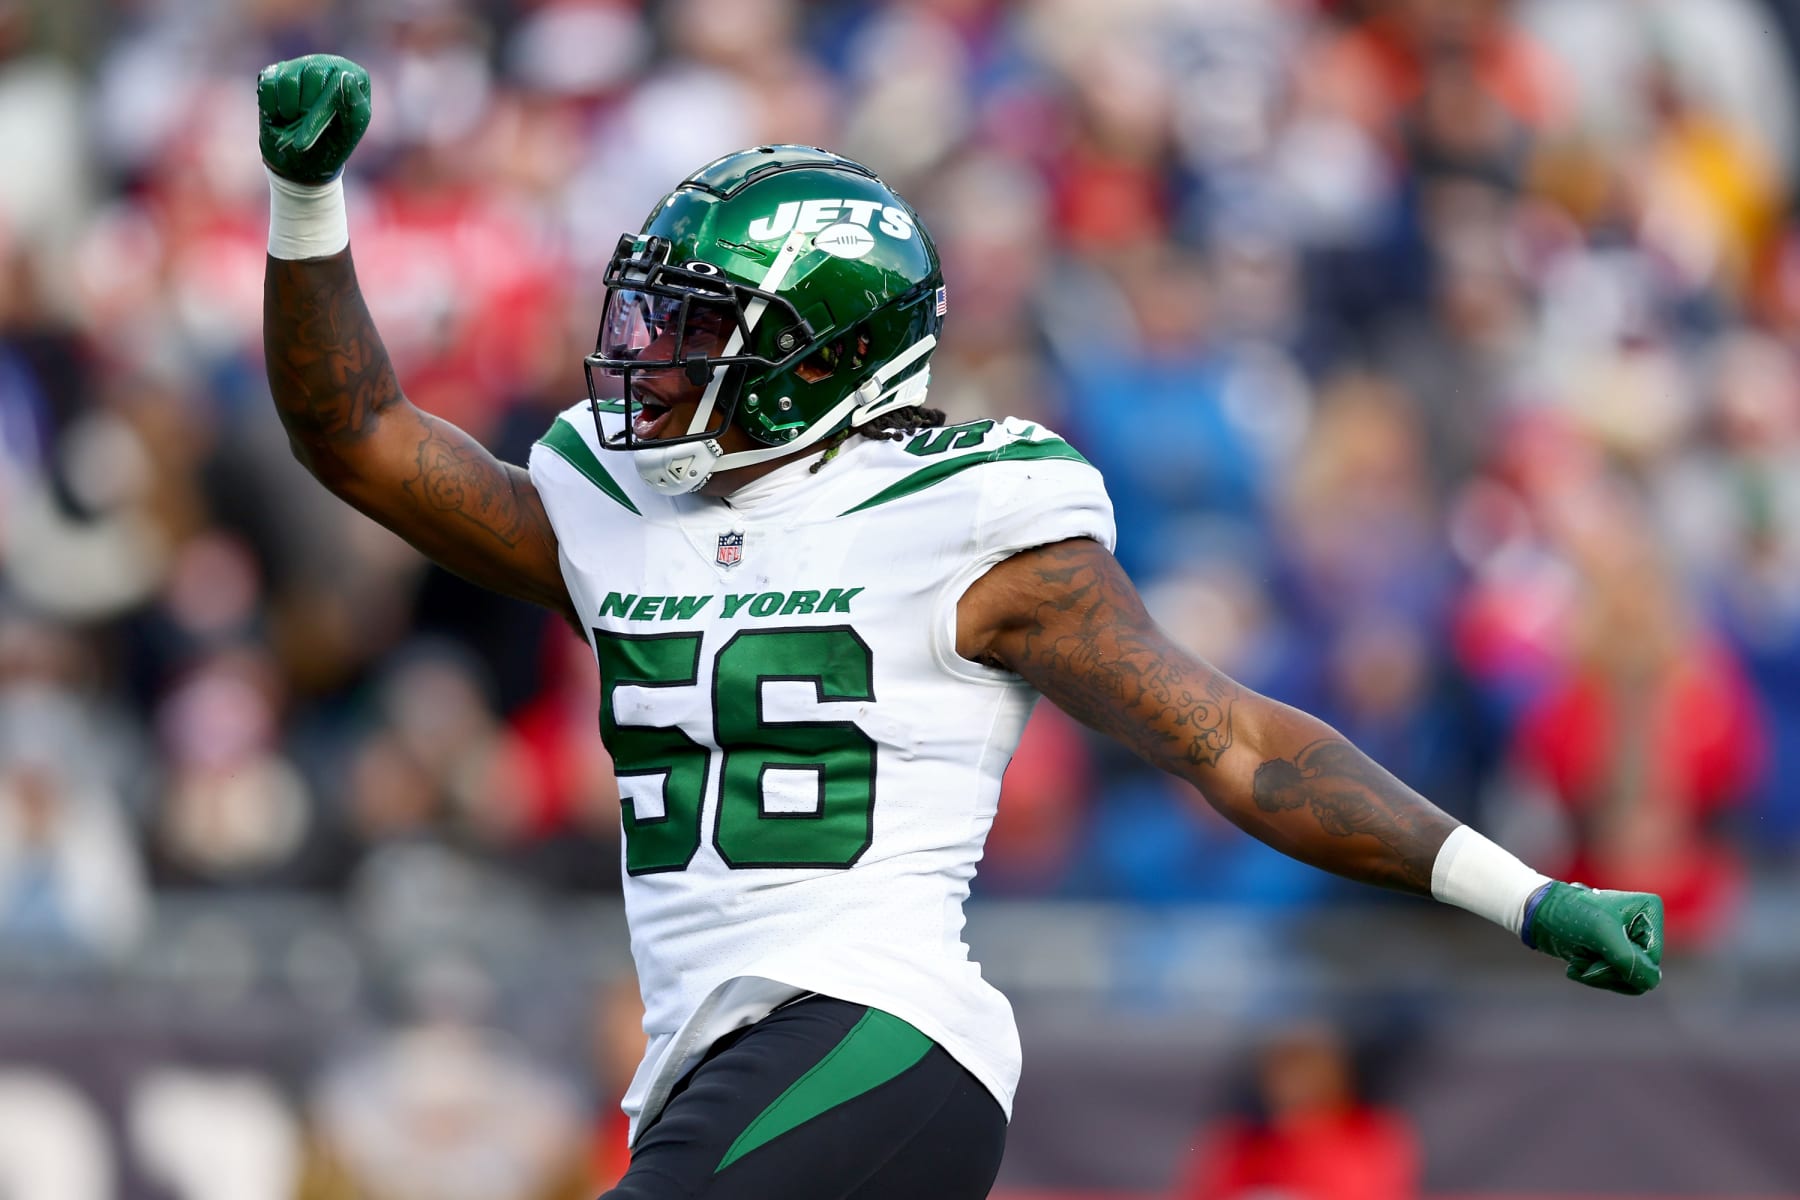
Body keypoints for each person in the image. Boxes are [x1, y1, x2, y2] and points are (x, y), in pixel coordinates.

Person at [257, 54, 1665, 1200]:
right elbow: (360, 439)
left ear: (832, 355)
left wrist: (1522, 893)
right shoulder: (608, 500)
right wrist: (307, 199)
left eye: (699, 333)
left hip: (879, 1035)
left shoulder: (973, 524)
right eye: (651, 321)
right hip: (715, 1064)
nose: (650, 361)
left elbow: (1233, 741)